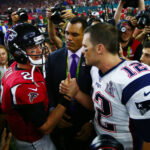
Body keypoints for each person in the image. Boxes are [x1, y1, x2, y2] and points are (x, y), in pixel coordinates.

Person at [60, 23, 150, 150]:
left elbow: (148, 137)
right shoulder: (95, 70)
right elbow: (103, 105)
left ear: (99, 48)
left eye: (85, 47)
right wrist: (77, 93)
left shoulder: (136, 80)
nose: (83, 51)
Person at [0, 23, 71, 150]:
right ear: (17, 51)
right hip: (34, 142)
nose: (39, 50)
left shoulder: (18, 67)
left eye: (39, 44)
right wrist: (67, 97)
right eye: (32, 47)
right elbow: (45, 127)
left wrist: (51, 111)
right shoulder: (24, 85)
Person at [46, 17, 95, 150]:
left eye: (74, 34)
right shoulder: (53, 58)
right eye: (67, 33)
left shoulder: (94, 59)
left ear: (86, 36)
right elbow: (48, 89)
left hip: (86, 124)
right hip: (60, 124)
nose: (68, 38)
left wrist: (92, 122)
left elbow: (100, 95)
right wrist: (53, 113)